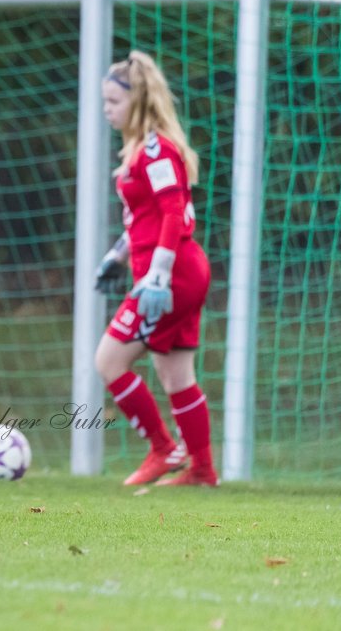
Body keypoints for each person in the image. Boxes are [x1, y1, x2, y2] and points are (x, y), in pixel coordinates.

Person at [92, 50, 217, 487]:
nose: (106, 110)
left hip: (172, 275)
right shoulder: (140, 151)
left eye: (113, 102)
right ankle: (201, 470)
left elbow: (172, 211)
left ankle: (164, 450)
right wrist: (116, 257)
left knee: (109, 360)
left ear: (139, 100)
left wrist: (158, 277)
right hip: (175, 271)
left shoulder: (156, 150)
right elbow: (143, 218)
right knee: (176, 374)